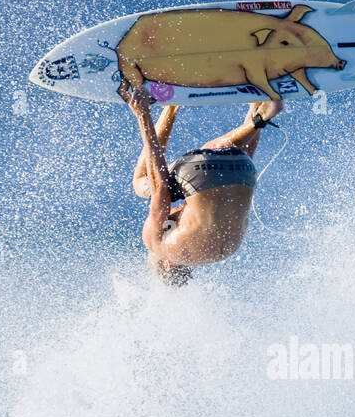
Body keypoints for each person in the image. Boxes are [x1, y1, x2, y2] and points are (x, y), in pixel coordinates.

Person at [122, 84, 284, 286]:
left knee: (220, 156)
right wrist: (142, 114)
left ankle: (259, 112)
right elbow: (160, 186)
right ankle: (172, 107)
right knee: (141, 184)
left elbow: (234, 175)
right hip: (202, 171)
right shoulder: (160, 247)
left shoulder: (224, 251)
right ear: (168, 265)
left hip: (244, 168)